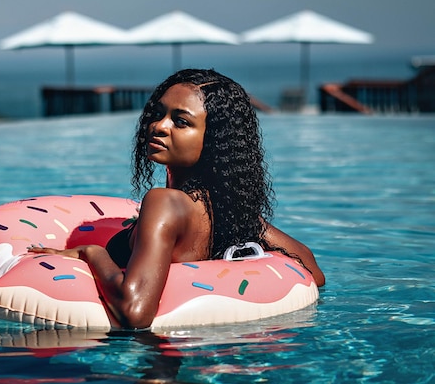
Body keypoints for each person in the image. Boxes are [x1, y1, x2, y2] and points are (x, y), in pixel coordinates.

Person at [30, 68, 325, 329]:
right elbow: (314, 271)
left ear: (213, 139)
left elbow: (134, 312)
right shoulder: (228, 212)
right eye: (158, 114)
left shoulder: (165, 203)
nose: (158, 126)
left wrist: (92, 253)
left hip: (142, 361)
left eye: (180, 121)